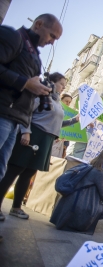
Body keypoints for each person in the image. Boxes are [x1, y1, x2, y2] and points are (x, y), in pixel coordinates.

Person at [0, 72, 79, 221]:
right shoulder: (41, 95)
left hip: (45, 139)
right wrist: (26, 132)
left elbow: (57, 123)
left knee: (28, 173)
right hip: (33, 135)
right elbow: (27, 113)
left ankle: (16, 207)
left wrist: (75, 120)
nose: (63, 87)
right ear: (52, 82)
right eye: (61, 84)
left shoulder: (56, 102)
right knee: (14, 170)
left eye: (64, 85)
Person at [0, 14, 62, 181]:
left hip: (14, 119)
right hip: (4, 112)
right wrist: (25, 83)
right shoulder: (15, 37)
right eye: (52, 36)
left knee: (1, 170)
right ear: (39, 24)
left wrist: (37, 89)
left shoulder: (34, 53)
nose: (52, 42)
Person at [50, 147, 103, 233]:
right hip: (81, 202)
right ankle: (78, 223)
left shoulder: (94, 165)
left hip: (73, 200)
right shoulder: (101, 172)